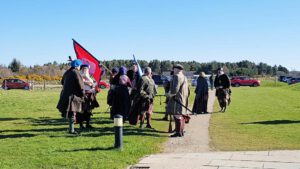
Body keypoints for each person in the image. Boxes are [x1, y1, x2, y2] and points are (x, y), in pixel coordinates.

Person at [56, 59, 84, 134]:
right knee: (72, 113)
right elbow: (81, 85)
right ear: (77, 66)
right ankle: (71, 130)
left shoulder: (67, 72)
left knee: (71, 113)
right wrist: (83, 94)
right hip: (72, 96)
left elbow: (62, 82)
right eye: (79, 65)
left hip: (65, 95)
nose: (80, 67)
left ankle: (71, 129)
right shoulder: (76, 72)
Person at [166, 64, 189, 137]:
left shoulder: (176, 76)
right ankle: (180, 131)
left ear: (176, 69)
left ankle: (178, 132)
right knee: (180, 115)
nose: (173, 70)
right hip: (183, 98)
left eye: (173, 69)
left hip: (177, 98)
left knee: (177, 115)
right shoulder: (184, 77)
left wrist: (169, 94)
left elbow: (174, 90)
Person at [76, 64, 99, 129]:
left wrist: (91, 84)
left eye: (87, 69)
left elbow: (93, 83)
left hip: (89, 95)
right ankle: (81, 125)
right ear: (82, 69)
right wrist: (88, 82)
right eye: (85, 68)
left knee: (89, 110)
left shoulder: (88, 76)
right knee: (81, 110)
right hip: (82, 95)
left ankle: (87, 124)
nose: (86, 70)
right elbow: (81, 84)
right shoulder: (80, 76)